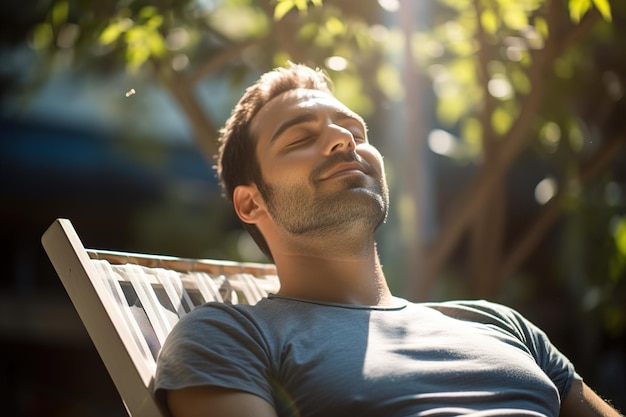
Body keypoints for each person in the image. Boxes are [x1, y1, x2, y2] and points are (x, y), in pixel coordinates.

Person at [154, 63, 622, 417]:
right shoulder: (230, 339)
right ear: (251, 204)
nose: (344, 141)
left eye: (355, 130)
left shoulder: (501, 325)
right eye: (299, 139)